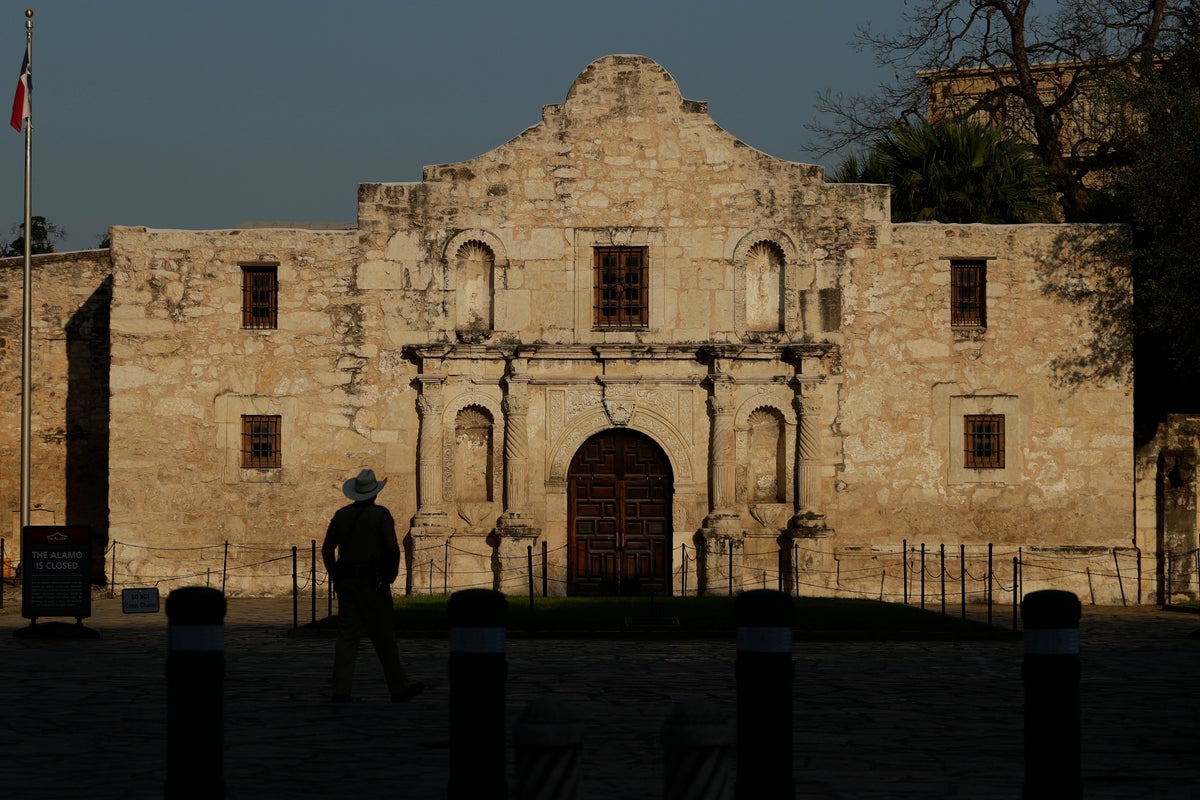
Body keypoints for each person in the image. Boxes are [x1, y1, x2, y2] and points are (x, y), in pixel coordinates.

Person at [321, 468, 424, 703]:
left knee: (347, 637)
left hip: (347, 582)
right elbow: (391, 546)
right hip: (372, 583)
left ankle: (341, 689)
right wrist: (391, 574)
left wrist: (335, 575)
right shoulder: (380, 515)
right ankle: (397, 687)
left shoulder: (341, 516)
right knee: (384, 636)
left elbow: (327, 549)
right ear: (374, 494)